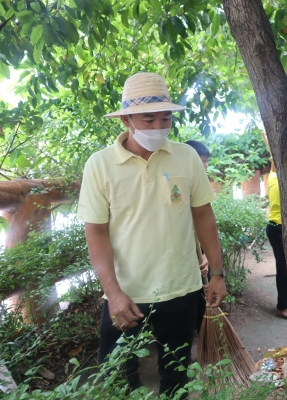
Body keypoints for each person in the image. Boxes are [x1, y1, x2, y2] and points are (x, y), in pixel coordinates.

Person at [77, 72, 227, 397]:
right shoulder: (100, 165)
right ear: (127, 119)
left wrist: (216, 273)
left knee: (176, 376)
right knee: (117, 377)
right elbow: (96, 232)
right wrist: (113, 292)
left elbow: (204, 216)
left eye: (166, 118)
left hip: (181, 288)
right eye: (149, 119)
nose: (159, 126)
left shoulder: (186, 157)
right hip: (125, 295)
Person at [185, 140, 212, 333]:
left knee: (204, 300)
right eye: (202, 161)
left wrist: (207, 256)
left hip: (200, 254)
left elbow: (207, 224)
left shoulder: (201, 186)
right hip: (183, 258)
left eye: (206, 161)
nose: (206, 165)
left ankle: (205, 335)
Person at [266, 158, 287, 320]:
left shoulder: (273, 175)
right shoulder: (279, 180)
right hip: (279, 228)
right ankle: (283, 307)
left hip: (277, 227)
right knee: (284, 268)